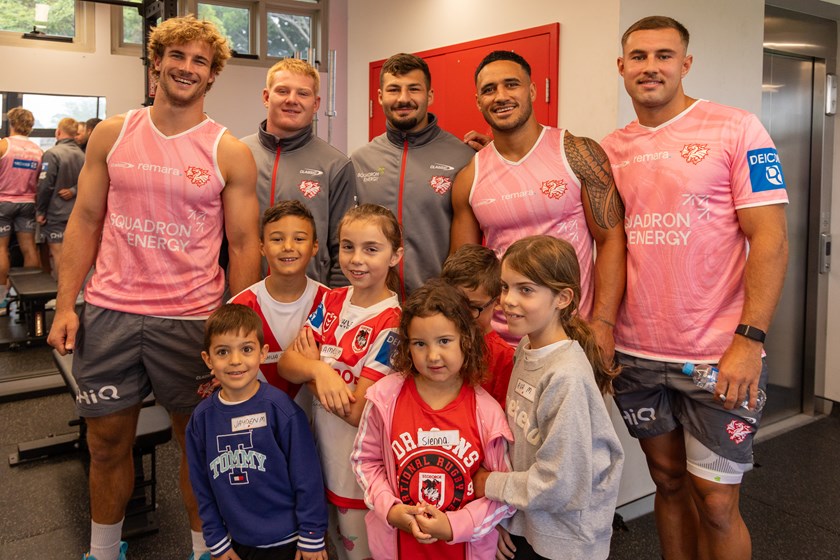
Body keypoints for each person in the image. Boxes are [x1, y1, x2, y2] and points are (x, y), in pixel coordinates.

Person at [46, 15, 261, 560]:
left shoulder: (227, 151)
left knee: (199, 445)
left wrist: (237, 325)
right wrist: (66, 304)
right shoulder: (114, 134)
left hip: (191, 320)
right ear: (157, 61)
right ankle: (102, 550)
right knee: (106, 443)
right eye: (179, 56)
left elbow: (242, 244)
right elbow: (85, 220)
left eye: (200, 62)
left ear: (211, 76)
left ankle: (203, 549)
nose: (187, 68)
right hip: (111, 311)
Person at [598, 16, 789, 560]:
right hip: (635, 354)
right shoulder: (612, 149)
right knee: (668, 482)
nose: (650, 67)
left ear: (685, 64)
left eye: (663, 55)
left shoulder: (736, 127)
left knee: (718, 502)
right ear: (622, 67)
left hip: (716, 356)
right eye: (638, 57)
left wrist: (748, 341)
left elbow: (770, 238)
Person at [450, 50, 626, 360]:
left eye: (511, 84)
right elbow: (465, 270)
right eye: (489, 90)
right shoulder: (469, 176)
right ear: (478, 101)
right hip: (500, 344)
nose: (501, 96)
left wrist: (602, 323)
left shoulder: (577, 153)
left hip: (571, 337)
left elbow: (611, 239)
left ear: (531, 91)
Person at [473, 235, 625, 560]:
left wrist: (489, 485)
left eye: (525, 290)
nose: (507, 301)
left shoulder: (566, 376)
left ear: (562, 298)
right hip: (531, 523)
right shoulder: (527, 349)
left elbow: (560, 484)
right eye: (505, 287)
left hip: (564, 543)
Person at [351, 278, 515, 559]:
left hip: (464, 550)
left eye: (444, 341)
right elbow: (366, 461)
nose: (433, 355)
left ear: (466, 339)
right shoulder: (384, 399)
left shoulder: (487, 413)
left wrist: (454, 525)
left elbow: (503, 491)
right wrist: (390, 509)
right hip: (399, 548)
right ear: (407, 346)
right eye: (420, 343)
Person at [277, 204, 403, 560]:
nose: (356, 259)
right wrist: (320, 371)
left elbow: (357, 411)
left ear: (396, 255)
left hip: (357, 471)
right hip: (320, 460)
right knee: (327, 546)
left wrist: (313, 365)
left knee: (358, 553)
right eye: (347, 246)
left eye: (371, 249)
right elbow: (288, 364)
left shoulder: (392, 323)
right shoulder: (332, 300)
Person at [186, 304, 328, 560]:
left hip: (291, 540)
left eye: (246, 349)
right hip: (236, 541)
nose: (235, 361)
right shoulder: (201, 420)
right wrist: (216, 540)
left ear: (262, 354)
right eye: (222, 352)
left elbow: (307, 478)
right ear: (208, 359)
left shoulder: (281, 410)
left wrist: (312, 536)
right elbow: (201, 486)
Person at [351, 53, 475, 299]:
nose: (403, 98)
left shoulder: (463, 157)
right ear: (379, 97)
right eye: (394, 89)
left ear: (429, 95)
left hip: (437, 306)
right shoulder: (360, 160)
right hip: (373, 306)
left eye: (414, 89)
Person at [241, 58, 354, 287]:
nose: (292, 100)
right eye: (282, 91)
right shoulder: (237, 155)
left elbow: (343, 247)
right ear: (266, 96)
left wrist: (332, 307)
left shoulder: (336, 165)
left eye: (302, 94)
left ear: (316, 103)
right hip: (244, 300)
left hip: (311, 304)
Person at [230, 200, 328, 402]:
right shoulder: (239, 307)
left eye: (299, 239)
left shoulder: (331, 303)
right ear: (262, 247)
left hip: (318, 425)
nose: (288, 247)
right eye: (277, 239)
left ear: (315, 246)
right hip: (259, 425)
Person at [441, 243, 513, 406]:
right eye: (455, 304)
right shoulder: (435, 341)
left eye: (473, 307)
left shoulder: (504, 358)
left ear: (497, 302)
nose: (463, 315)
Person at [0, 107, 42, 311]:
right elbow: (38, 180)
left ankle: (0, 299)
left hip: (3, 203)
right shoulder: (38, 150)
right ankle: (30, 300)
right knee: (29, 248)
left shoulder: (3, 145)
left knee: (0, 249)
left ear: (12, 123)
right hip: (28, 203)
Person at [36, 117, 85, 277]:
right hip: (78, 214)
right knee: (74, 256)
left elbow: (45, 186)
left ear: (58, 132)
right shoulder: (84, 155)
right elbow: (90, 182)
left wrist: (40, 211)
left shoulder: (52, 154)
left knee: (59, 255)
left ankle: (60, 295)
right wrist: (74, 190)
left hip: (56, 213)